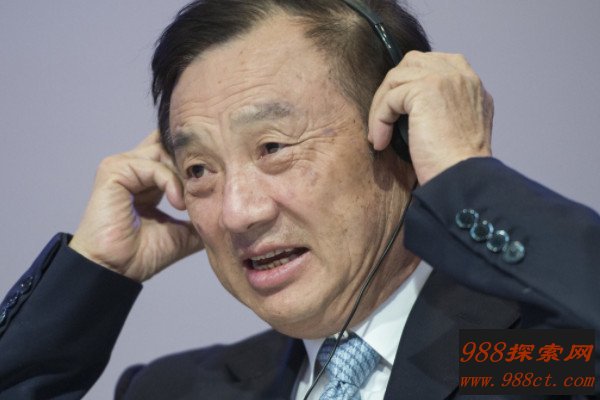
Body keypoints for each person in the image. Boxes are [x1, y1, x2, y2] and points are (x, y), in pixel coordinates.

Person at [0, 0, 598, 399]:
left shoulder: (523, 361)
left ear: (401, 138)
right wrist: (93, 271)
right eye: (200, 169)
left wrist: (465, 176)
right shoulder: (177, 389)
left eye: (273, 147)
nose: (237, 212)